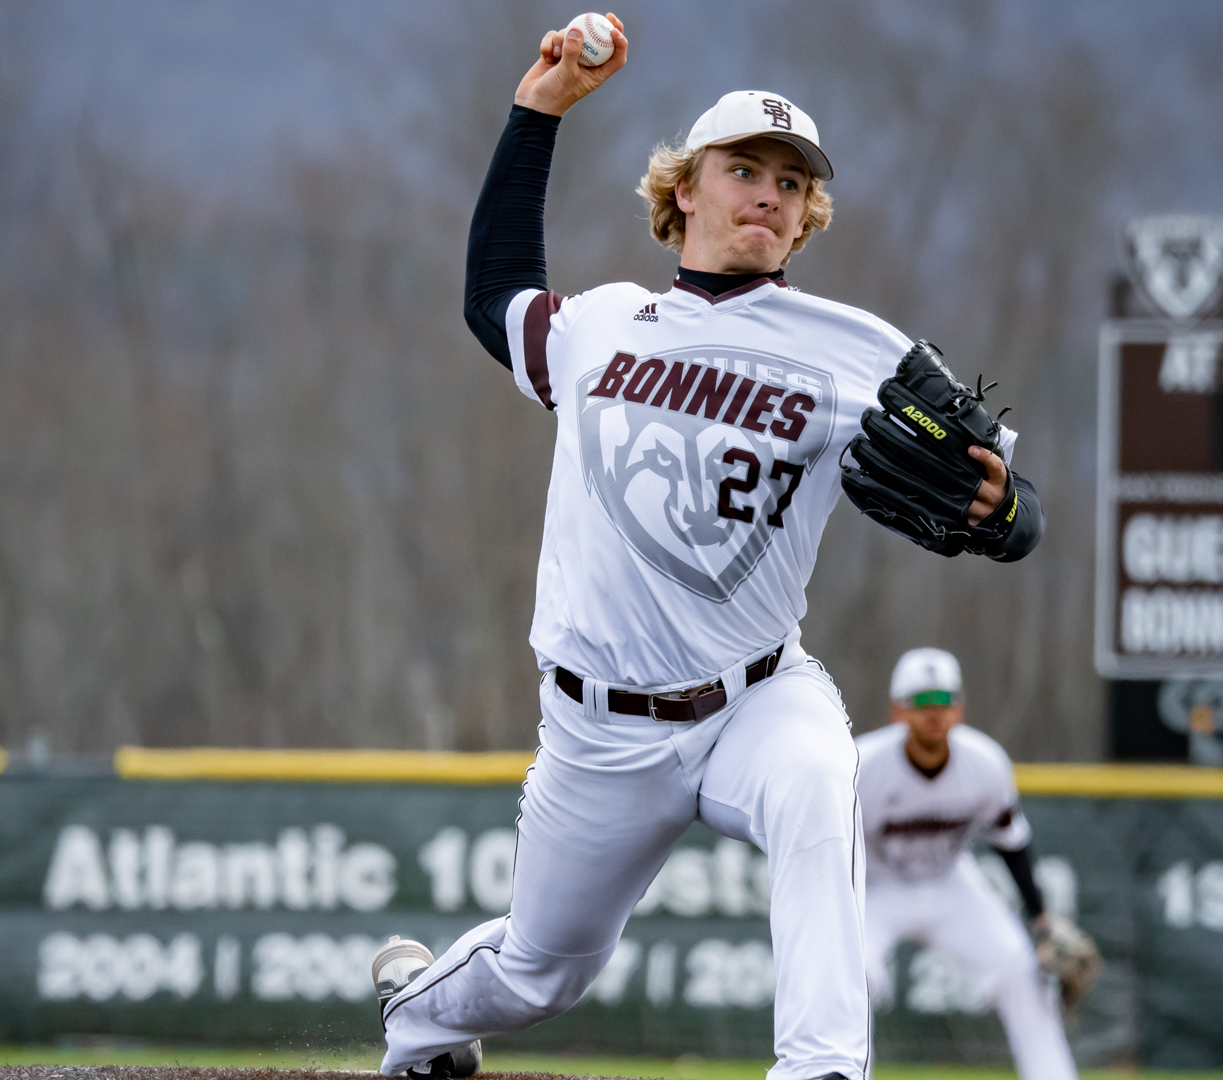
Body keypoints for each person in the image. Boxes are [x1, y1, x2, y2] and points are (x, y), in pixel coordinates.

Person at [372, 17, 1043, 1080]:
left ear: (807, 214)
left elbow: (1015, 506)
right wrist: (537, 111)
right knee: (544, 971)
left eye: (790, 180)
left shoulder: (860, 351)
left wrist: (1003, 514)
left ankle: (821, 1067)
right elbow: (490, 296)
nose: (768, 193)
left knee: (823, 785)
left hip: (755, 698)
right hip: (598, 729)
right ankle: (418, 1021)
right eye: (744, 169)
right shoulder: (603, 324)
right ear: (684, 188)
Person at [854, 647, 1078, 1080]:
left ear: (960, 708)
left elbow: (1012, 843)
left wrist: (1041, 918)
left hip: (949, 882)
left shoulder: (985, 763)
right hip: (875, 886)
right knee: (852, 977)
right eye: (921, 702)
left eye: (944, 701)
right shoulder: (861, 765)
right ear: (898, 711)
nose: (934, 713)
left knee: (1020, 968)